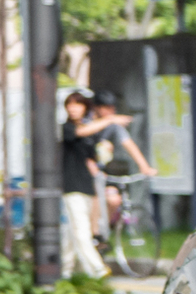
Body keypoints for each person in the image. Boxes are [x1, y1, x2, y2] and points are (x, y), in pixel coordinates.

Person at [83, 90, 153, 237]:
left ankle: (102, 232)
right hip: (81, 172)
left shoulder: (113, 125)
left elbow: (128, 144)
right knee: (96, 194)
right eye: (106, 108)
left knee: (114, 200)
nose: (111, 112)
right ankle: (93, 233)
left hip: (100, 173)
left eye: (113, 108)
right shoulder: (85, 123)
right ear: (96, 107)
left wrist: (144, 166)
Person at [57, 91, 107, 278]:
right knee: (80, 230)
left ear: (85, 107)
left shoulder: (89, 133)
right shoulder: (66, 129)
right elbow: (80, 132)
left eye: (77, 104)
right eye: (70, 104)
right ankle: (97, 269)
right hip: (71, 186)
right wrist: (109, 121)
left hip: (86, 185)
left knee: (71, 232)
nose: (73, 108)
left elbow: (92, 159)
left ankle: (66, 271)